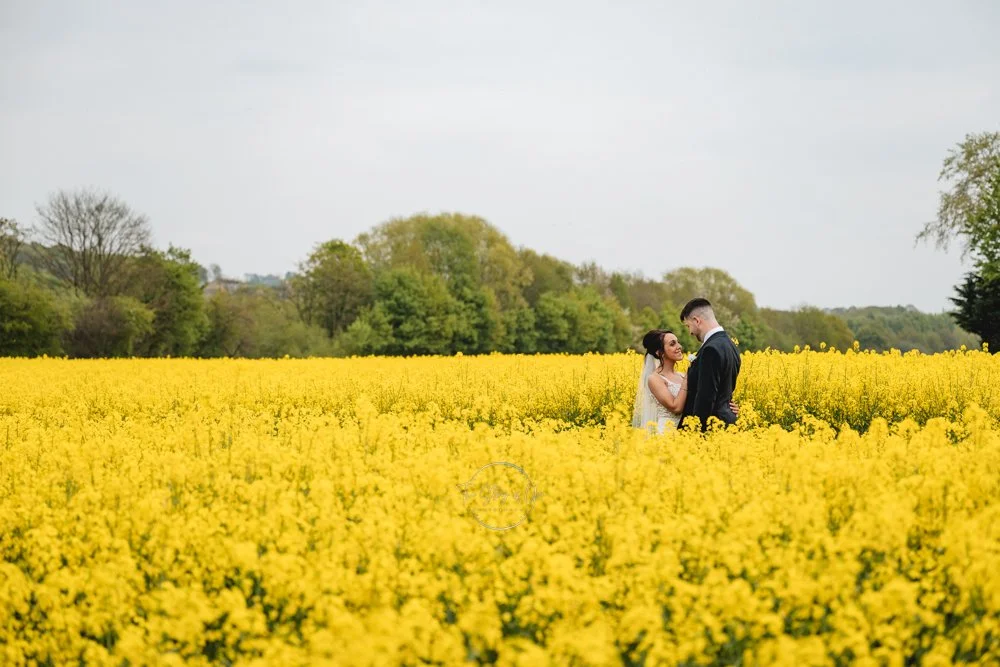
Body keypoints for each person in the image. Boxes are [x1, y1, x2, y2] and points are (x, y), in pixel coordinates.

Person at [632, 328, 740, 434]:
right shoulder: (655, 378)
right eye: (672, 344)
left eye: (678, 342)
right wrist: (689, 376)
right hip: (668, 433)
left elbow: (702, 398)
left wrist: (725, 406)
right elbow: (676, 407)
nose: (679, 347)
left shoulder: (682, 375)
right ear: (660, 353)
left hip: (687, 431)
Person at [679, 297, 742, 431]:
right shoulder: (731, 346)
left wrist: (694, 432)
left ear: (697, 320)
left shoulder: (710, 349)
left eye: (688, 325)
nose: (690, 332)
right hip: (727, 424)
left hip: (711, 428)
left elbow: (706, 398)